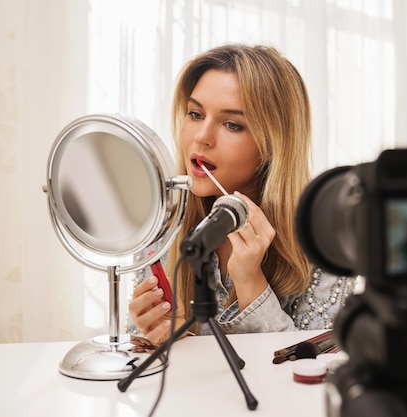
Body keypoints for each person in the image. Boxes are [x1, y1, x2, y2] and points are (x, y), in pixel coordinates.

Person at [128, 43, 355, 345]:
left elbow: (314, 373)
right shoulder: (159, 225)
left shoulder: (328, 239)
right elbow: (142, 365)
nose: (201, 137)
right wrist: (170, 339)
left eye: (232, 124)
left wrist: (251, 284)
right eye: (195, 114)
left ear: (274, 144)